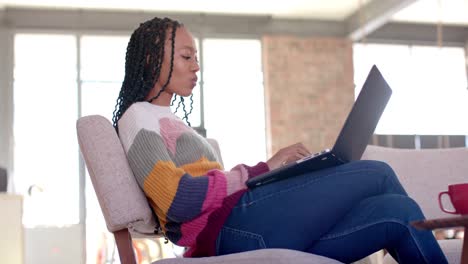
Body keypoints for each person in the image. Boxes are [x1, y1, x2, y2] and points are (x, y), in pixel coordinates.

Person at [113, 17, 448, 263]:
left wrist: (270, 171)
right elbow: (178, 200)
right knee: (378, 173)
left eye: (196, 58)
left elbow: (210, 189)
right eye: (187, 57)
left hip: (248, 226)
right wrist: (259, 170)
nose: (196, 66)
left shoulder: (169, 120)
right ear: (150, 58)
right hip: (231, 232)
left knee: (398, 211)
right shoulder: (137, 118)